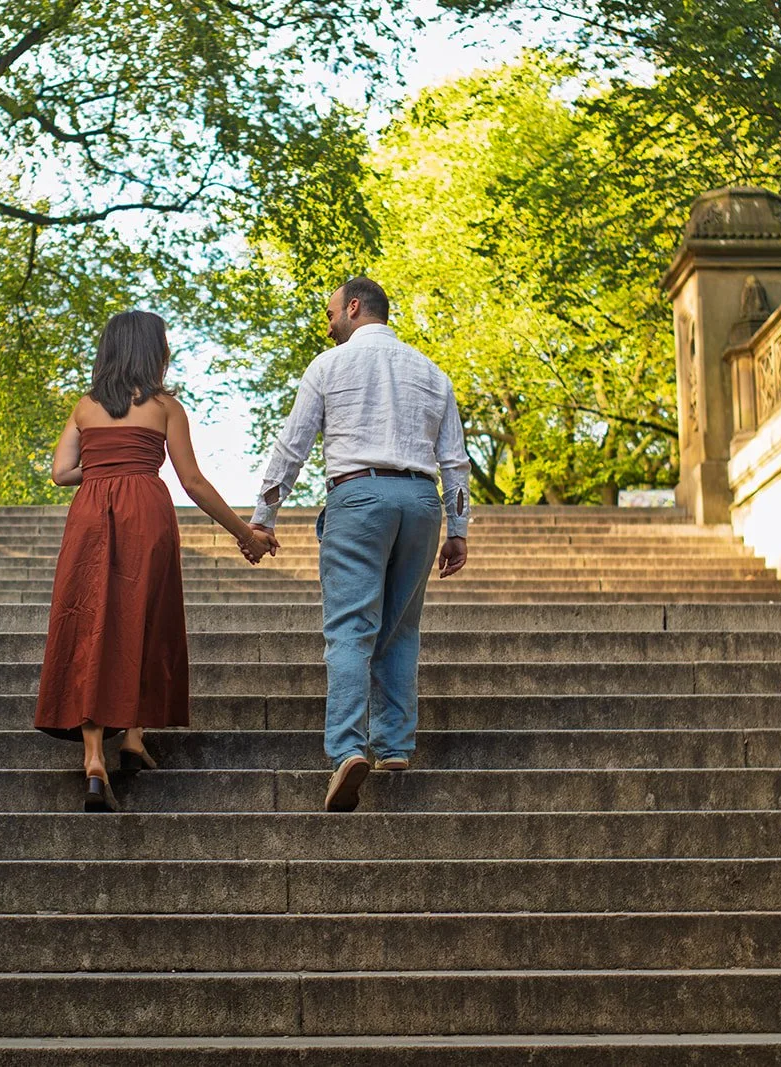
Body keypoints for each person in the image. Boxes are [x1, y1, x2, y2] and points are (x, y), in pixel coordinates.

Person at [36, 310, 278, 811]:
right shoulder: (167, 407)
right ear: (154, 353)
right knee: (143, 615)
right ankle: (133, 738)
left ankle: (94, 760)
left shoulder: (85, 407)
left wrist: (104, 464)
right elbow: (192, 482)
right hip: (146, 509)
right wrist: (245, 533)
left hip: (91, 513)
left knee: (92, 622)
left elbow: (61, 472)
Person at [250, 276, 470, 812]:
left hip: (357, 496)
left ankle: (348, 749)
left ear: (352, 308)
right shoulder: (432, 373)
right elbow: (455, 460)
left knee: (351, 628)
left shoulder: (329, 366)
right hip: (420, 502)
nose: (328, 325)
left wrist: (264, 517)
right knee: (400, 627)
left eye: (331, 314)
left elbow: (292, 446)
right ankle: (394, 745)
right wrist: (458, 529)